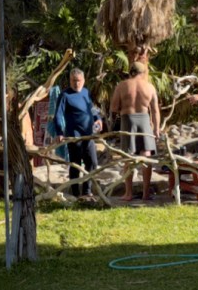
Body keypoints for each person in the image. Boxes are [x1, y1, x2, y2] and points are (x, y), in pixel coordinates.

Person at [110, 61, 160, 201]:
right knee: (146, 157)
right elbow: (155, 110)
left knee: (129, 157)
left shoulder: (122, 86)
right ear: (143, 73)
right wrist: (156, 129)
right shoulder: (149, 87)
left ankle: (128, 193)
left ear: (130, 72)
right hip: (144, 120)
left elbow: (114, 107)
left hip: (127, 120)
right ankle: (145, 193)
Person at [54, 68, 102, 198]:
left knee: (92, 162)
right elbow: (58, 115)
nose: (76, 83)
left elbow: (91, 107)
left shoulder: (86, 92)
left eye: (79, 81)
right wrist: (59, 132)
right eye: (73, 81)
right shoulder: (65, 95)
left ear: (83, 80)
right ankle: (75, 193)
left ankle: (87, 191)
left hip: (88, 134)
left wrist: (98, 118)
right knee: (75, 164)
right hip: (74, 136)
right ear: (70, 80)